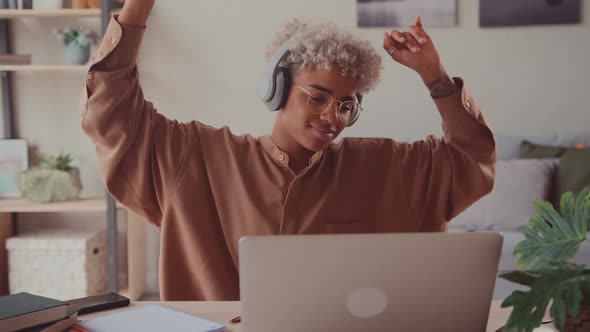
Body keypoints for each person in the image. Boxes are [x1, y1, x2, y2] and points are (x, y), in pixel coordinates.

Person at [81, 0, 496, 301]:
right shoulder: (196, 156)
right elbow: (112, 115)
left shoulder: (384, 166)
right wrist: (137, 8)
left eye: (346, 105)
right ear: (275, 87)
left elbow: (469, 160)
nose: (333, 117)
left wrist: (435, 77)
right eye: (317, 97)